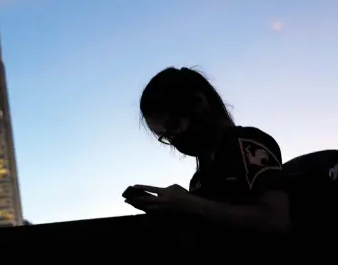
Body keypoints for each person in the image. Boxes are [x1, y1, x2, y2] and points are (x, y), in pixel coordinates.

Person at [124, 67, 292, 237]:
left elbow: (276, 220)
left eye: (173, 126)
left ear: (199, 104)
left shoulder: (248, 145)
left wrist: (191, 203)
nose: (174, 140)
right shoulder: (199, 178)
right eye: (165, 137)